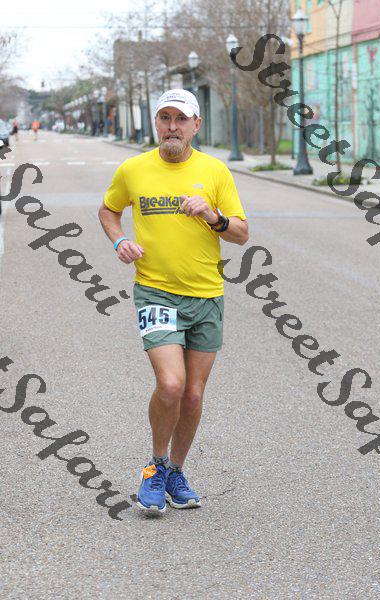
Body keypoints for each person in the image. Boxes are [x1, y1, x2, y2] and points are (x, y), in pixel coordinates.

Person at [98, 89, 249, 514]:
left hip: (206, 296)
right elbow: (108, 211)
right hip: (155, 291)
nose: (172, 127)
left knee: (193, 395)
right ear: (156, 123)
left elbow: (241, 233)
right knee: (171, 384)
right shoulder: (133, 169)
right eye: (164, 118)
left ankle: (176, 472)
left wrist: (213, 216)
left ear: (196, 125)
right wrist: (120, 241)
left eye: (181, 119)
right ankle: (155, 465)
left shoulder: (215, 171)